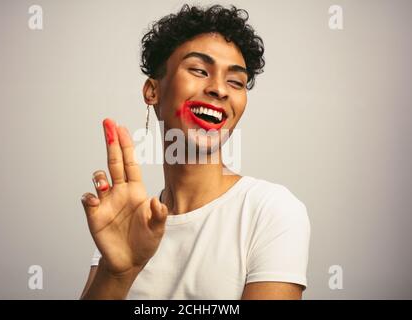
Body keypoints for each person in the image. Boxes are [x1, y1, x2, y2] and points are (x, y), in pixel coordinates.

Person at [79, 4, 310, 300]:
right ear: (153, 91)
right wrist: (117, 274)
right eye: (200, 70)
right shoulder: (127, 223)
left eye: (235, 82)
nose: (219, 89)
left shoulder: (271, 210)